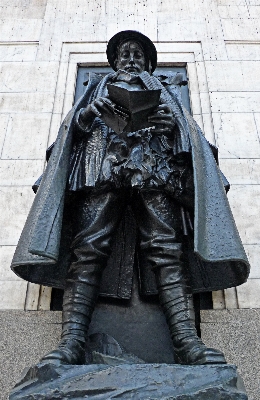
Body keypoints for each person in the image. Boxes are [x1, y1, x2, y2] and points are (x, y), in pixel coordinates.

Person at [11, 30, 250, 366]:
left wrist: (173, 127)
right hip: (102, 169)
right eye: (126, 55)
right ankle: (71, 343)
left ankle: (186, 343)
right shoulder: (98, 86)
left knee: (167, 251)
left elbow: (187, 133)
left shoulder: (164, 90)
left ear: (148, 63)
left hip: (156, 171)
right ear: (115, 61)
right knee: (87, 251)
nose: (132, 60)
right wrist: (89, 114)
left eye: (138, 56)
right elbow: (72, 129)